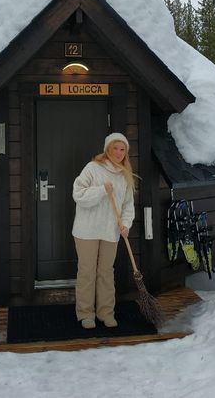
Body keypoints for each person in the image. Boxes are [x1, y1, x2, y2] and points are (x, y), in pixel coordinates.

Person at [72, 132, 135, 329]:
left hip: (110, 231)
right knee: (87, 272)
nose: (118, 152)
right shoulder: (93, 168)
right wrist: (101, 190)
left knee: (106, 272)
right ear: (108, 149)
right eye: (115, 148)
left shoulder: (125, 176)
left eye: (122, 149)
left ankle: (105, 312)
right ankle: (85, 314)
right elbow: (78, 194)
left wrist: (125, 223)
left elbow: (127, 205)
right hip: (86, 231)